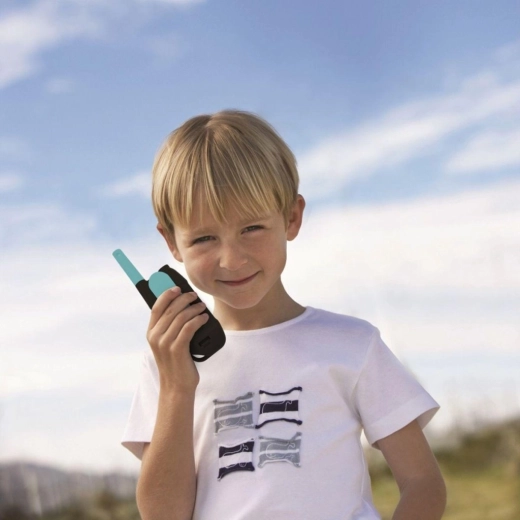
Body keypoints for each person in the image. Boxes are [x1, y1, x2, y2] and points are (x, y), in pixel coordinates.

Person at [120, 109, 447, 520]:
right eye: (204, 238)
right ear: (171, 242)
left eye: (251, 228)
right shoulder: (167, 362)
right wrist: (176, 388)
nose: (231, 259)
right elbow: (163, 515)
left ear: (291, 218)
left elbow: (422, 483)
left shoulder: (353, 344)